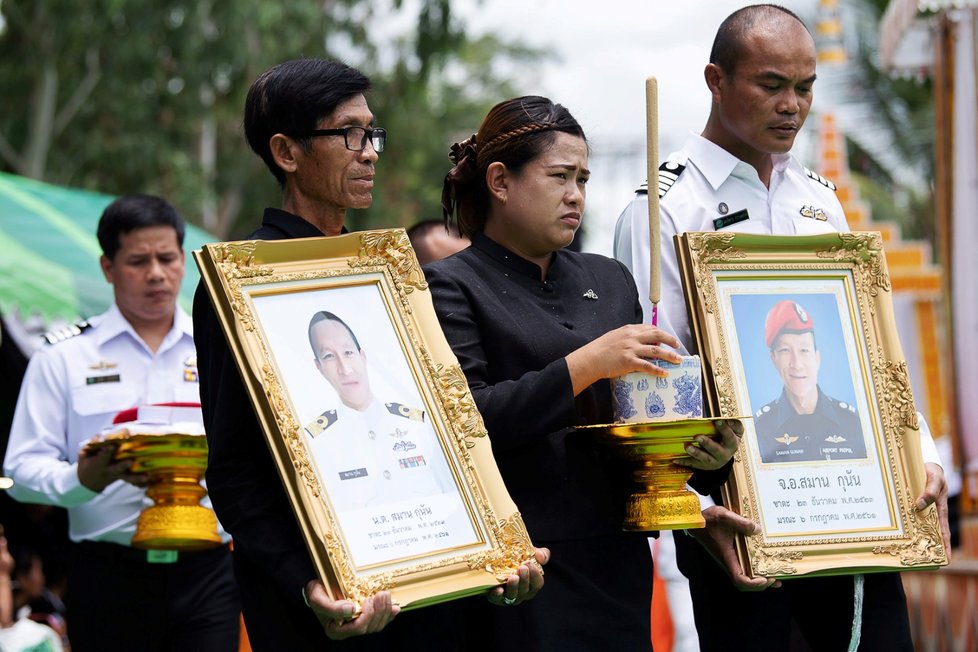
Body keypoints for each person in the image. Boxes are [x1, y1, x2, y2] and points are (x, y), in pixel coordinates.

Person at [614, 5, 949, 650]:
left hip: (851, 501)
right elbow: (654, 381)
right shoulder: (663, 207)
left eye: (805, 87)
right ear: (716, 80)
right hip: (740, 515)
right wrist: (694, 510)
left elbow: (865, 340)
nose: (792, 105)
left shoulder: (818, 200)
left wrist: (919, 453)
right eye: (771, 85)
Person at [194, 58, 544, 651]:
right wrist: (310, 586)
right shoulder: (243, 281)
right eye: (349, 134)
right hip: (329, 615)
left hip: (428, 590)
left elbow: (443, 428)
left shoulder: (382, 275)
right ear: (286, 152)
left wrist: (492, 549)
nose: (370, 152)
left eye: (372, 133)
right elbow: (234, 474)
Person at [425, 95, 744, 651]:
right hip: (520, 565)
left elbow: (636, 421)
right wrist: (588, 363)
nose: (576, 195)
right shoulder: (450, 285)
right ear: (500, 181)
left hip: (616, 559)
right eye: (559, 176)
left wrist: (702, 462)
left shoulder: (612, 278)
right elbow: (464, 420)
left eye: (584, 178)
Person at [3, 194, 240, 652]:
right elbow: (22, 469)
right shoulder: (64, 357)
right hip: (107, 574)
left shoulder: (224, 348)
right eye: (137, 260)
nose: (156, 273)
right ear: (107, 267)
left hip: (209, 572)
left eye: (167, 258)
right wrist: (81, 479)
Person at [303, 310, 455, 511]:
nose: (345, 368)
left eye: (348, 352)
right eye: (329, 356)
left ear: (362, 356)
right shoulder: (317, 442)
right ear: (319, 367)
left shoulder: (418, 423)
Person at [755, 299, 866, 463]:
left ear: (817, 358)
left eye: (804, 350)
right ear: (774, 359)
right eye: (785, 350)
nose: (797, 364)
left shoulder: (853, 423)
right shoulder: (758, 429)